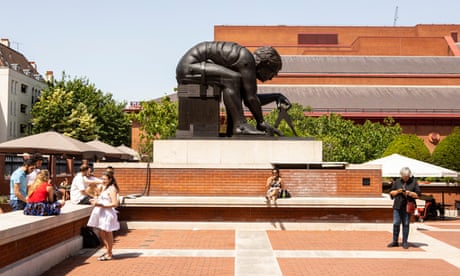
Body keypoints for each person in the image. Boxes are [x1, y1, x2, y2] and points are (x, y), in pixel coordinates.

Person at [176, 41, 285, 136]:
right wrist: (261, 122)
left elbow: (249, 97)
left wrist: (276, 97)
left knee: (233, 82)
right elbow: (251, 99)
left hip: (192, 66)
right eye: (272, 73)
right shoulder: (247, 60)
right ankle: (240, 126)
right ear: (265, 64)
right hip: (189, 68)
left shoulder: (244, 61)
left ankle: (232, 128)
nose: (270, 78)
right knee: (232, 79)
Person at [87, 171, 120, 261]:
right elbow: (93, 192)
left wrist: (101, 205)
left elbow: (115, 203)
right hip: (102, 212)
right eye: (103, 179)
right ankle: (108, 251)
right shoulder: (105, 187)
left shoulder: (112, 189)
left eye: (105, 179)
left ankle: (109, 253)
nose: (103, 180)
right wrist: (96, 200)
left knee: (108, 232)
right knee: (101, 232)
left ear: (110, 179)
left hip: (108, 213)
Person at [387, 167, 421, 249]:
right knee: (396, 223)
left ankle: (404, 242)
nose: (406, 177)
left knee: (406, 224)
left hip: (407, 206)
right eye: (404, 176)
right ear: (401, 175)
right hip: (397, 206)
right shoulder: (397, 182)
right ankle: (395, 241)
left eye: (407, 176)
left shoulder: (414, 182)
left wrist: (409, 193)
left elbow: (417, 195)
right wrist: (397, 191)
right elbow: (391, 192)